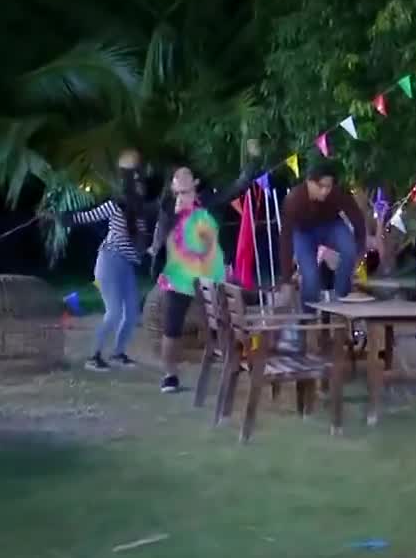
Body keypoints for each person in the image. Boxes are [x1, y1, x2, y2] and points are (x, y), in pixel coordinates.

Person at [148, 144, 260, 393]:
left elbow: (238, 186)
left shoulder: (208, 201)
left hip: (208, 273)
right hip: (178, 275)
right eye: (176, 182)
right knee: (172, 326)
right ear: (173, 186)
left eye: (185, 180)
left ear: (195, 183)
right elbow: (162, 238)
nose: (180, 185)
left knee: (221, 320)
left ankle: (232, 365)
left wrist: (252, 160)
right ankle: (170, 375)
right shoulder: (168, 208)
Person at [55, 149, 155, 372]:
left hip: (127, 265)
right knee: (114, 312)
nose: (141, 188)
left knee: (131, 314)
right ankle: (94, 356)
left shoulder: (140, 214)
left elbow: (138, 245)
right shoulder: (116, 206)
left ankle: (118, 354)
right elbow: (85, 217)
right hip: (109, 261)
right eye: (137, 183)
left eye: (142, 183)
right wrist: (63, 217)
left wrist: (149, 250)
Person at [278, 161, 368, 349]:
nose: (325, 191)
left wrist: (360, 249)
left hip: (331, 225)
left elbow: (356, 218)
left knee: (348, 249)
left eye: (329, 186)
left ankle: (341, 300)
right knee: (311, 277)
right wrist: (286, 279)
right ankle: (307, 321)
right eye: (321, 186)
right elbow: (286, 239)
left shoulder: (336, 194)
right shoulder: (294, 200)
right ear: (309, 182)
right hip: (304, 233)